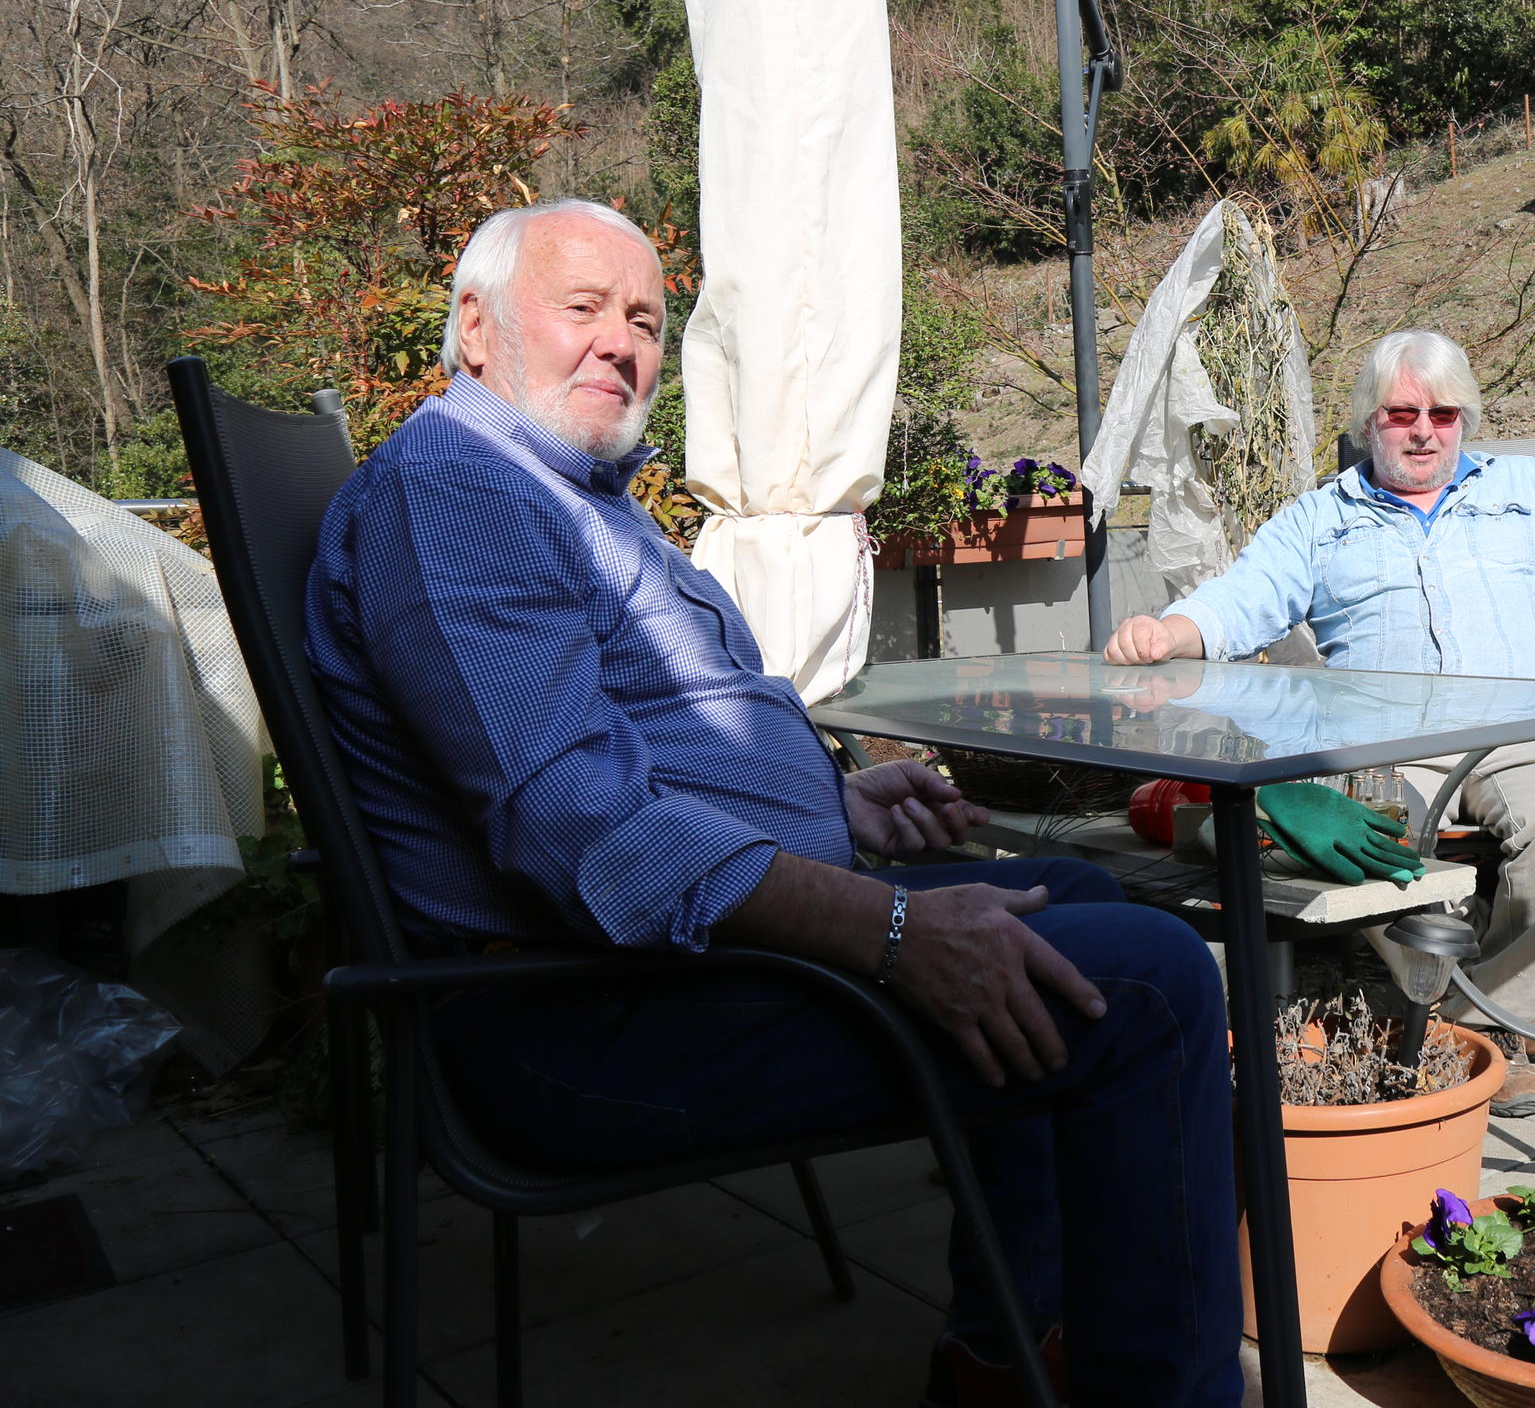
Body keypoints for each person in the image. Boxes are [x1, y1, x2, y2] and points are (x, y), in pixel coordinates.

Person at [305, 198, 1240, 1408]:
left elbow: (643, 743)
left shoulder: (569, 492)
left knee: (1075, 895)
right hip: (567, 1019)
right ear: (475, 331)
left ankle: (999, 1351)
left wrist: (836, 810)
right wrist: (893, 932)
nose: (623, 344)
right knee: (1149, 984)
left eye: (645, 319)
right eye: (582, 307)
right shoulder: (459, 489)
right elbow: (579, 824)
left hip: (664, 971)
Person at [1104, 328, 1535, 1117]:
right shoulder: (1321, 517)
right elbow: (1242, 599)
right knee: (1346, 832)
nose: (1423, 429)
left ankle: (1488, 1021)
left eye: (1443, 413)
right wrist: (1168, 632)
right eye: (1402, 411)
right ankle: (1454, 1002)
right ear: (1366, 422)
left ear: (1464, 419)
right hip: (1386, 742)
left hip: (1532, 727)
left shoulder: (1533, 488)